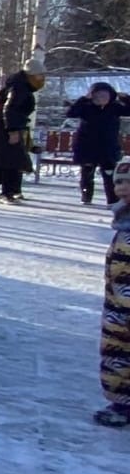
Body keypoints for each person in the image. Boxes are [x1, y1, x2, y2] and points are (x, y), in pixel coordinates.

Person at [95, 158, 130, 426]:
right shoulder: (122, 219)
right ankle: (121, 404)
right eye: (119, 182)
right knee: (118, 354)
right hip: (118, 309)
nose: (122, 188)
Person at [0, 60, 43, 202]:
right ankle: (7, 193)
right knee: (10, 161)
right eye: (39, 75)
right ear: (31, 75)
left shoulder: (17, 85)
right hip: (4, 128)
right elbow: (10, 108)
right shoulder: (20, 88)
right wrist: (12, 130)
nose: (41, 79)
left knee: (1, 160)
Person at [67, 83, 130, 205]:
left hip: (108, 148)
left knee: (109, 175)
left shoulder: (114, 107)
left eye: (105, 95)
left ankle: (112, 200)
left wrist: (125, 98)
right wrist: (83, 99)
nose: (102, 98)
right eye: (98, 96)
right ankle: (86, 197)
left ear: (111, 96)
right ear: (92, 96)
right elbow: (71, 113)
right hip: (87, 147)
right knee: (87, 174)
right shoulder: (86, 107)